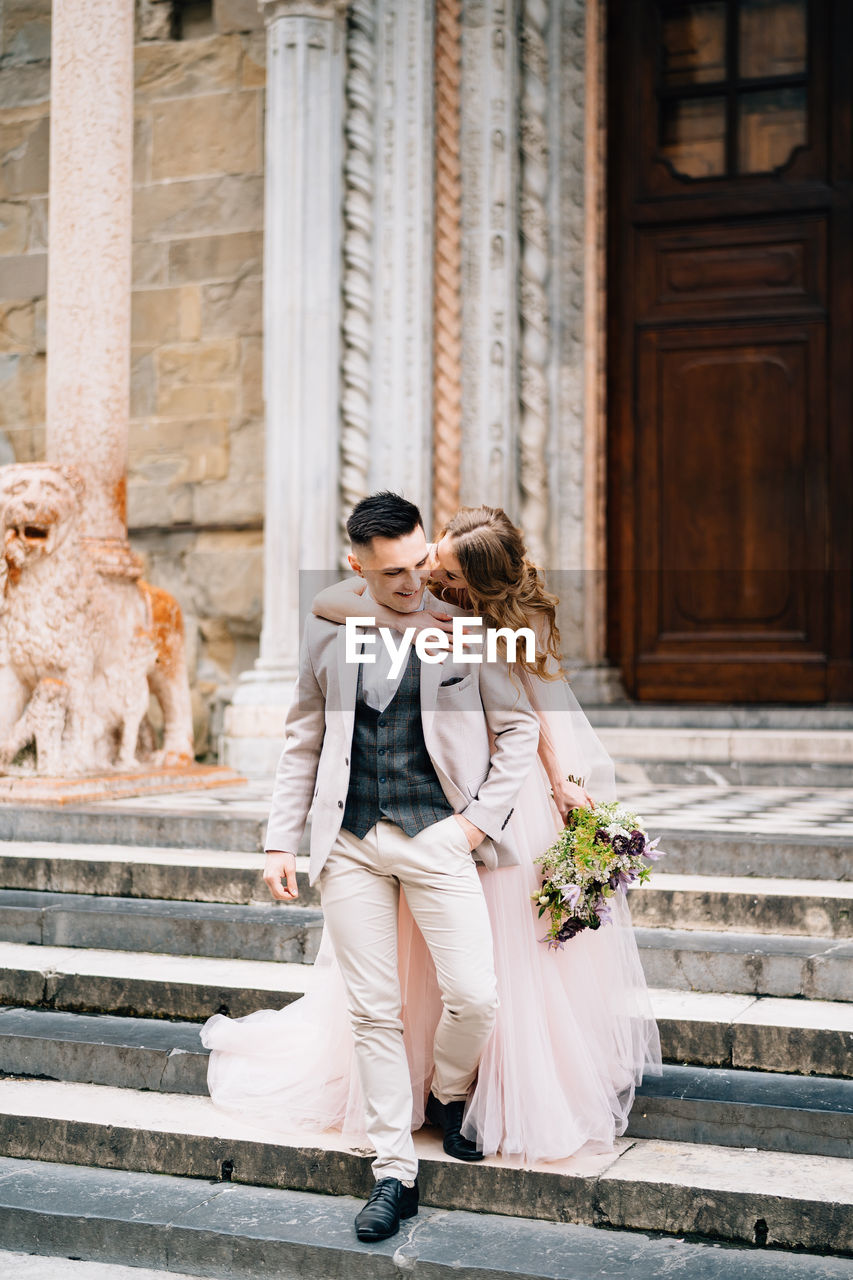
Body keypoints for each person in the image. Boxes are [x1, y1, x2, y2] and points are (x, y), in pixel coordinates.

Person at [201, 499, 662, 1228]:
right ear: (359, 567)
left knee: (476, 995)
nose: (417, 580)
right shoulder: (332, 631)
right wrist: (279, 839)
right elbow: (302, 742)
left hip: (441, 833)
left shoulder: (471, 630)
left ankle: (449, 1091)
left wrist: (474, 827)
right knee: (372, 1009)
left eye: (426, 565)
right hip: (351, 839)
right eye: (397, 570)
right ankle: (393, 1173)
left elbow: (519, 723)